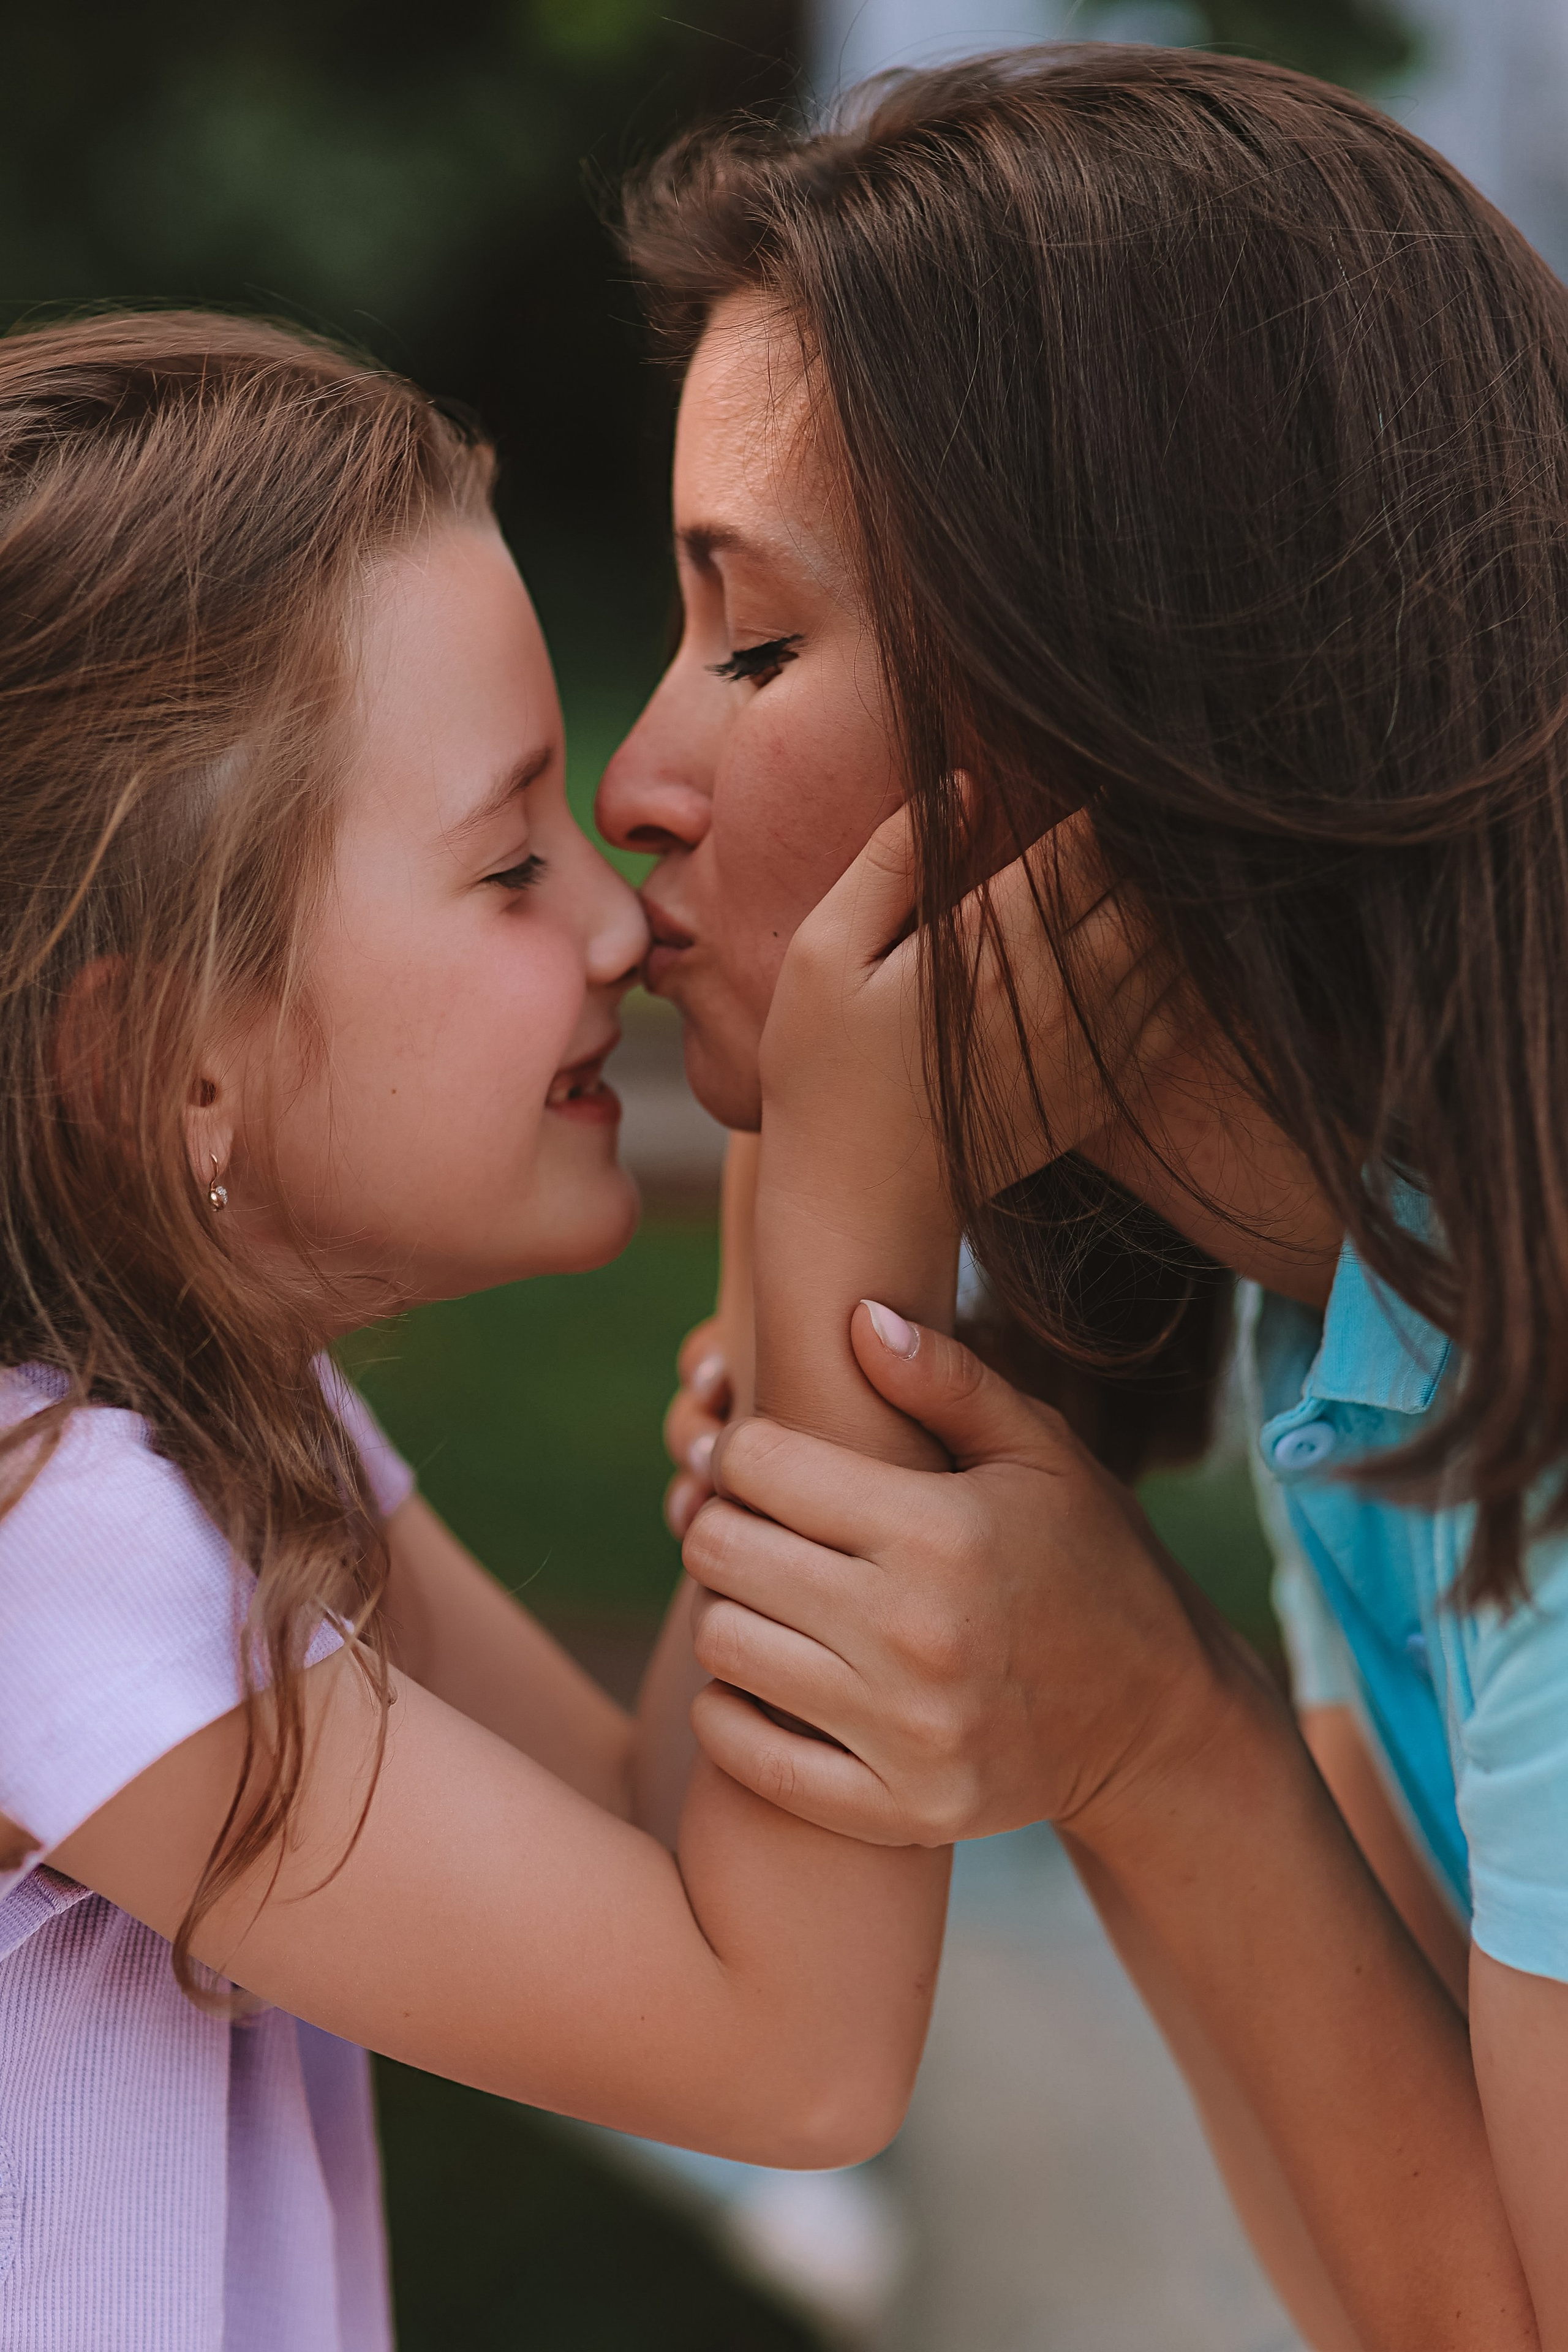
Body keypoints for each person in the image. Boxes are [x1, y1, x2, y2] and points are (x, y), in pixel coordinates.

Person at [597, 46, 1568, 2348]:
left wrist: (1152, 1726)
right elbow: (1401, 2245)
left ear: (1118, 688)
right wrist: (829, 1183)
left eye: (752, 640)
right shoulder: (1366, 1308)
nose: (637, 777)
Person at [0, 312, 951, 2348]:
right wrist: (868, 1188)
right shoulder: (50, 1543)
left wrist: (783, 1137)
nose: (609, 919)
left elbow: (649, 1839)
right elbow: (790, 2058)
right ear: (171, 1063)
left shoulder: (217, 1425)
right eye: (510, 863)